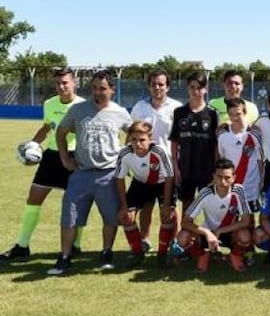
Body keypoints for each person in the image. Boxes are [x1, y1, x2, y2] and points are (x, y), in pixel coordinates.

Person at [47, 70, 133, 275]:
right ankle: (65, 257)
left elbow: (133, 132)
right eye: (94, 88)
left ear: (112, 89)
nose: (98, 92)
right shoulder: (78, 110)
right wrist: (64, 158)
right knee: (70, 217)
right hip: (81, 174)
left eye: (102, 88)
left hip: (109, 174)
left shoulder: (119, 112)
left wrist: (125, 155)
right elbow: (61, 132)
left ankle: (106, 253)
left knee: (111, 218)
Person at [1, 68, 85, 262]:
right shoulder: (49, 104)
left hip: (75, 158)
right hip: (51, 158)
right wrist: (32, 145)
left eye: (65, 82)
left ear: (74, 83)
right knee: (33, 199)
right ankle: (22, 245)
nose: (61, 86)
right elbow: (47, 127)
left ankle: (76, 245)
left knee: (76, 204)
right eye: (58, 83)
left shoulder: (83, 106)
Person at [129, 69, 183, 253]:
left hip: (167, 167)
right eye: (153, 84)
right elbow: (131, 136)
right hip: (144, 166)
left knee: (170, 208)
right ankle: (144, 239)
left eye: (161, 84)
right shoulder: (139, 107)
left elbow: (180, 139)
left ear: (167, 86)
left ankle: (173, 242)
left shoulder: (177, 108)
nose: (157, 87)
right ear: (148, 86)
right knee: (146, 206)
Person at [115, 121, 176, 267]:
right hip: (140, 184)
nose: (137, 144)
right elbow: (120, 179)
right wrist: (124, 206)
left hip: (161, 184)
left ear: (150, 139)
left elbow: (169, 177)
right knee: (125, 217)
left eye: (142, 140)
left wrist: (167, 205)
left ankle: (162, 254)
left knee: (168, 216)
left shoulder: (159, 151)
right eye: (133, 139)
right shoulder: (124, 153)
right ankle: (137, 253)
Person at [176, 159, 253, 272]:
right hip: (208, 234)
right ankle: (202, 255)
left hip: (229, 232)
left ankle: (235, 256)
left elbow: (246, 221)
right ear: (213, 177)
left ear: (233, 178)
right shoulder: (205, 192)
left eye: (227, 177)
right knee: (182, 237)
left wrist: (221, 230)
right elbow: (185, 222)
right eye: (219, 177)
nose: (223, 181)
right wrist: (207, 233)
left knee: (245, 236)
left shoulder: (238, 191)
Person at [169, 71, 219, 212]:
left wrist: (216, 168)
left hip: (207, 169)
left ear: (206, 89)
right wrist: (175, 166)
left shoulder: (212, 114)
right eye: (192, 87)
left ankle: (208, 234)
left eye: (199, 87)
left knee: (210, 207)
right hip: (186, 168)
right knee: (187, 207)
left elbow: (216, 145)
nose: (196, 91)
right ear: (188, 88)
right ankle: (187, 234)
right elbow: (174, 140)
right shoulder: (179, 112)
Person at [217, 97, 265, 212]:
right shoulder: (222, 134)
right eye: (231, 114)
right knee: (230, 219)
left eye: (238, 114)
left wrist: (261, 182)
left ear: (244, 113)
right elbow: (221, 159)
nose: (235, 118)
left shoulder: (254, 133)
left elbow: (261, 160)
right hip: (230, 185)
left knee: (250, 221)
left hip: (251, 186)